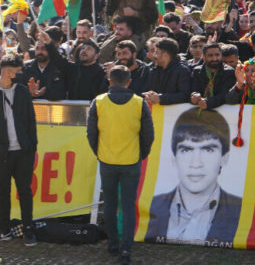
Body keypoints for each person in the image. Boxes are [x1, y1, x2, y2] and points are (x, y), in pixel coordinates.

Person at [87, 65, 154, 265]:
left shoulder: (98, 102)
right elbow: (148, 135)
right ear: (129, 82)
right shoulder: (139, 103)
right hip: (131, 161)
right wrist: (141, 154)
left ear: (109, 81)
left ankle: (112, 243)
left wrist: (99, 153)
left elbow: (91, 134)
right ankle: (126, 248)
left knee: (109, 203)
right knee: (128, 205)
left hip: (107, 160)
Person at [145, 108, 242, 243]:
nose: (196, 163)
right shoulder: (151, 205)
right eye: (186, 150)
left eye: (208, 150)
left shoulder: (243, 212)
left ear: (224, 158)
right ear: (174, 158)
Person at [0, 54, 38, 245]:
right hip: (0, 153)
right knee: (3, 190)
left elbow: (31, 120)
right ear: (9, 72)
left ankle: (28, 229)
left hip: (23, 152)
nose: (21, 74)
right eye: (19, 71)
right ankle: (4, 229)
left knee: (25, 191)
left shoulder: (22, 91)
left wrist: (32, 146)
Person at [142, 37, 191, 105]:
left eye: (156, 52)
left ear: (165, 55)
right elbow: (146, 90)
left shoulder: (182, 71)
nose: (154, 55)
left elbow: (185, 95)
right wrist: (147, 95)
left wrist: (161, 98)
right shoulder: (153, 70)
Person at [190, 43, 236, 109]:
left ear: (221, 56)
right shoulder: (197, 71)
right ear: (203, 57)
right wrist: (194, 96)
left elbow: (225, 95)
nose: (214, 59)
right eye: (210, 55)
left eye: (217, 55)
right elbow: (193, 89)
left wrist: (208, 102)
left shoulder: (229, 72)